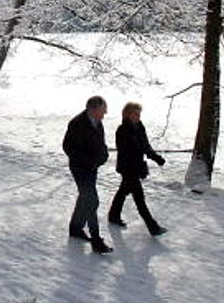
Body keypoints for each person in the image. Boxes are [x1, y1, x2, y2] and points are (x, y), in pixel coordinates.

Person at [62, 95, 113, 254]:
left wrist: (103, 156)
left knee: (85, 198)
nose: (104, 114)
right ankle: (96, 240)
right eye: (102, 111)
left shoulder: (98, 122)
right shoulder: (77, 123)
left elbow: (101, 144)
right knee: (92, 200)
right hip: (80, 169)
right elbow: (68, 147)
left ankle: (76, 229)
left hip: (92, 168)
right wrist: (87, 161)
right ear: (93, 109)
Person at [107, 102, 168, 236]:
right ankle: (153, 227)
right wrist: (140, 161)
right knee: (139, 198)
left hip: (136, 166)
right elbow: (128, 150)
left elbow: (145, 145)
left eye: (139, 113)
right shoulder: (122, 130)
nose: (138, 116)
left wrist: (156, 157)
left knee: (123, 191)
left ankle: (113, 215)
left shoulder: (140, 127)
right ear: (127, 114)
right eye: (135, 113)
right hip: (128, 168)